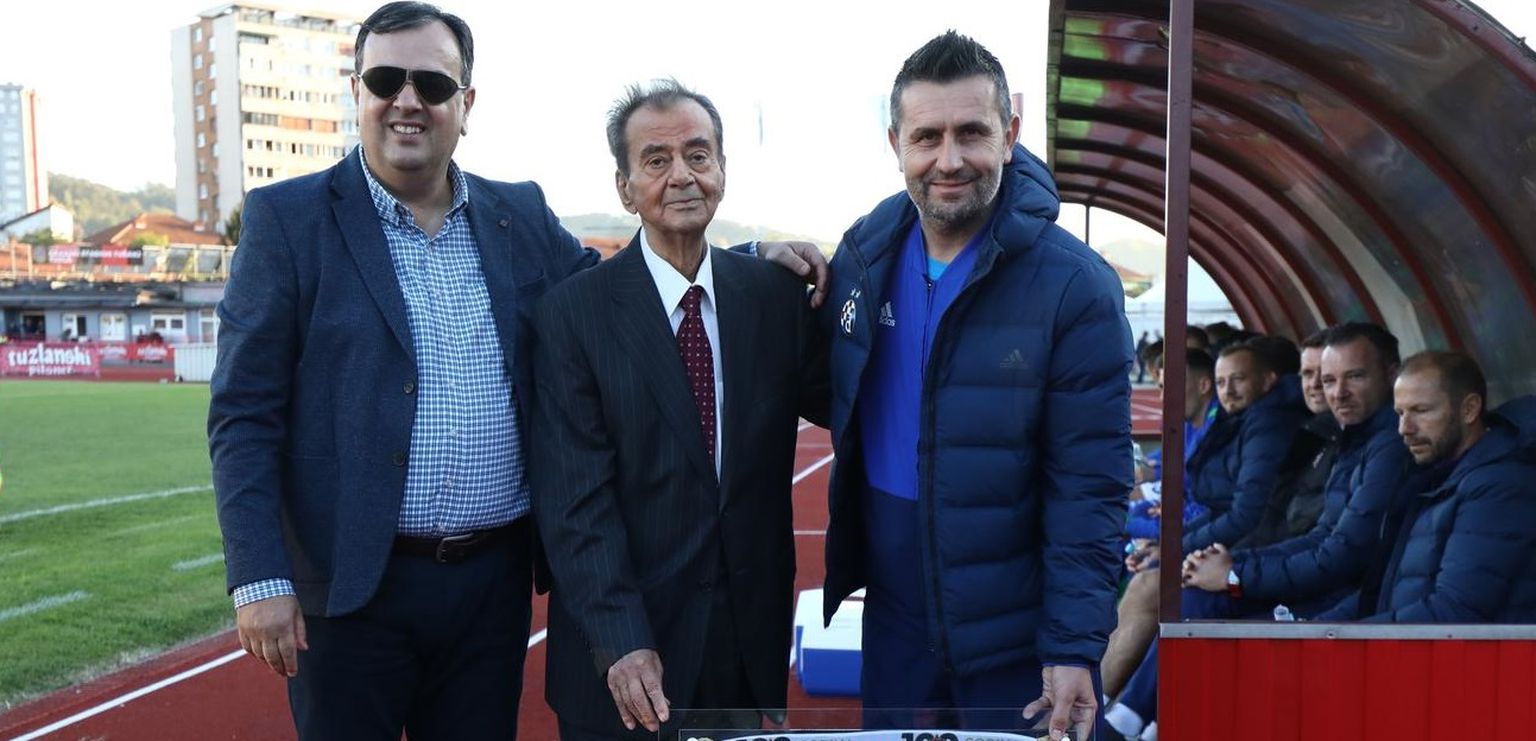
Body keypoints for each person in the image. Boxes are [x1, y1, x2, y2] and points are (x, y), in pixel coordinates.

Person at [207, 5, 821, 737]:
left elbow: (622, 288)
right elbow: (243, 413)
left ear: (465, 104)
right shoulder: (287, 221)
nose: (409, 101)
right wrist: (259, 574)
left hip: (489, 589)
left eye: (434, 84)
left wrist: (745, 262)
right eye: (387, 80)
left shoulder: (518, 214)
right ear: (357, 91)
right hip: (352, 589)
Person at [819, 31, 1131, 739]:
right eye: (927, 137)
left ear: (1010, 134)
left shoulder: (1075, 286)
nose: (950, 160)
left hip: (1015, 641)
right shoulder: (863, 255)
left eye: (972, 133)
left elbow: (1091, 483)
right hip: (896, 627)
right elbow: (820, 381)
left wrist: (1073, 643)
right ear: (895, 143)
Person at [529, 80, 830, 739]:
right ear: (625, 187)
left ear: (721, 169)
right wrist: (621, 638)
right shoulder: (573, 315)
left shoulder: (775, 298)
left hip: (740, 647)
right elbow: (575, 501)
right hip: (624, 654)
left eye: (698, 155)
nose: (682, 176)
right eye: (656, 160)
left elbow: (852, 399)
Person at [1316, 351, 1536, 622]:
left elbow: (1454, 610)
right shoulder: (1438, 476)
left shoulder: (1500, 486)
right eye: (1400, 413)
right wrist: (1325, 628)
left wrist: (1348, 638)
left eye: (1420, 411)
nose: (1404, 428)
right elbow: (1391, 588)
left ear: (1469, 409)